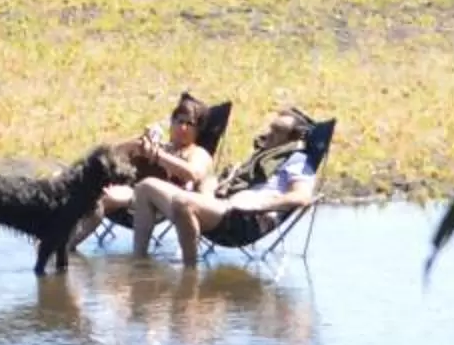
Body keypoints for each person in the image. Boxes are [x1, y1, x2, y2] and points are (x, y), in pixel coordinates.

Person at [130, 108, 327, 267]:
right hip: (222, 207)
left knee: (183, 202)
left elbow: (302, 197)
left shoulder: (297, 160)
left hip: (245, 220)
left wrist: (261, 204)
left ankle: (189, 273)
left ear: (293, 138)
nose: (269, 134)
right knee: (145, 187)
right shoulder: (263, 156)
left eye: (278, 131)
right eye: (271, 128)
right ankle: (139, 263)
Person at [94, 91, 218, 230]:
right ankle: (70, 244)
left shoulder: (198, 153)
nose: (183, 128)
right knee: (97, 198)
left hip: (170, 204)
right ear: (172, 123)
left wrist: (159, 156)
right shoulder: (162, 146)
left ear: (198, 130)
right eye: (180, 121)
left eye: (190, 124)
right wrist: (137, 144)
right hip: (135, 196)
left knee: (109, 199)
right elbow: (110, 154)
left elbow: (193, 173)